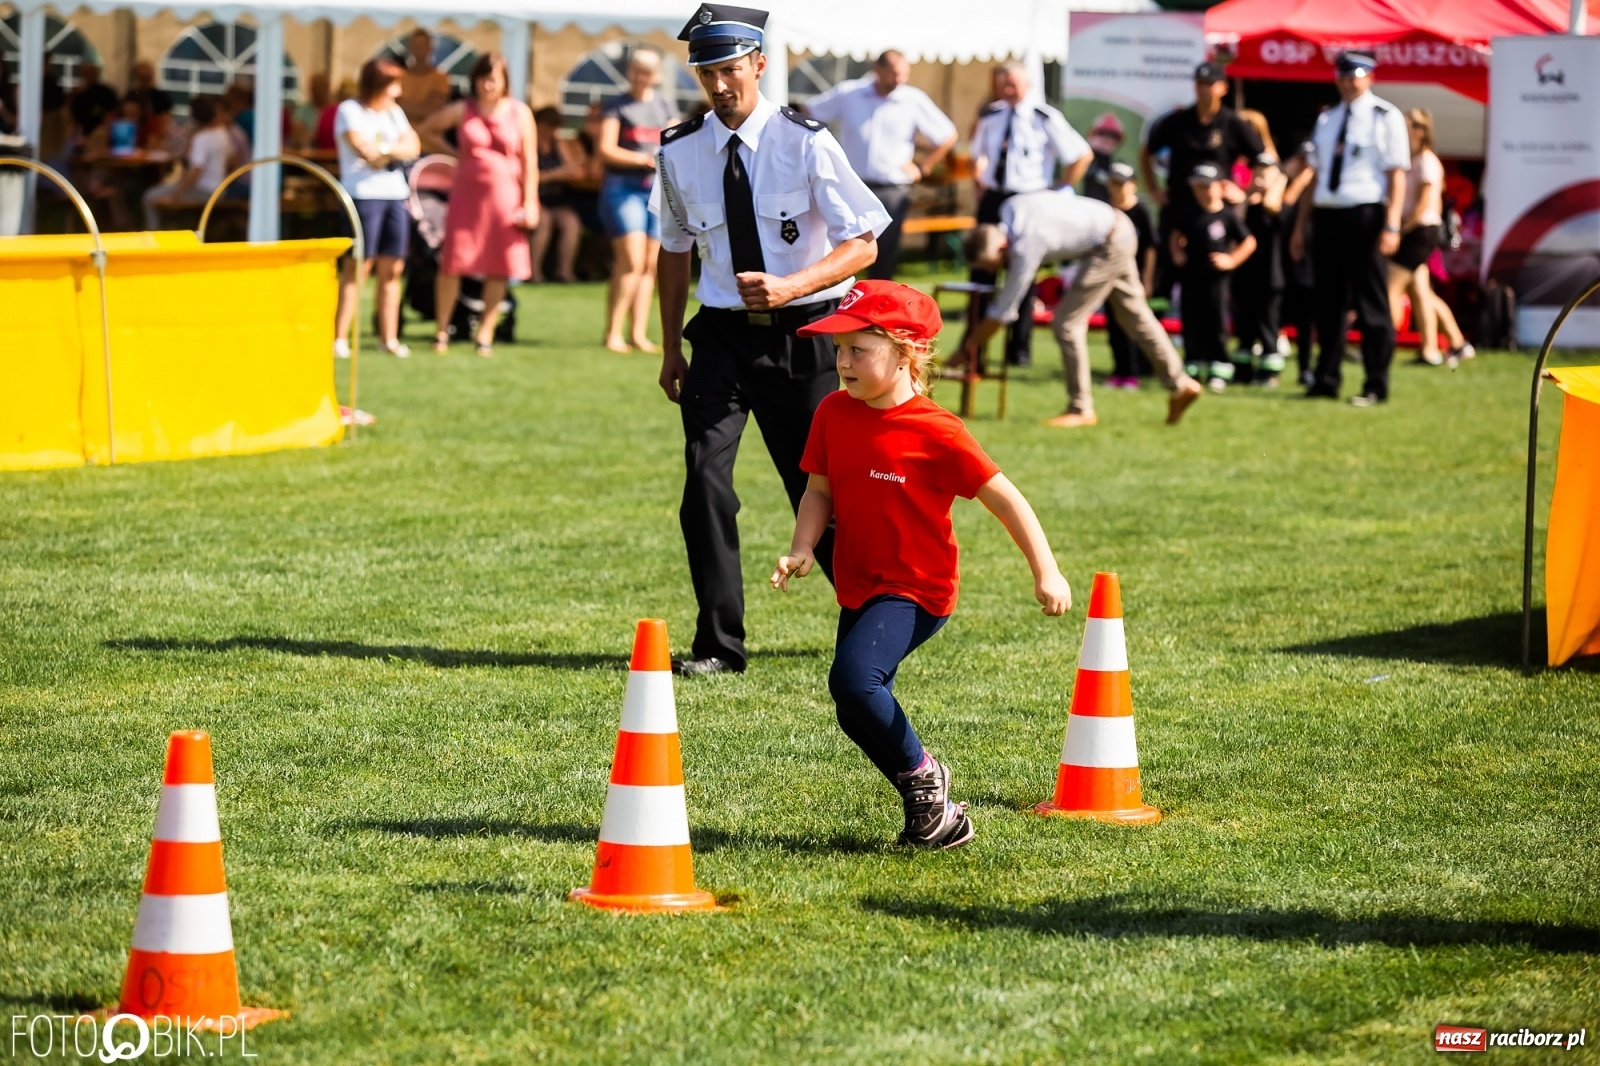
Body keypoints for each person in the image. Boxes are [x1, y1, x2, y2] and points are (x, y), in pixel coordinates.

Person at [770, 280, 1071, 849]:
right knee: (852, 704)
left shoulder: (939, 432)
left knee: (856, 683)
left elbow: (1006, 498)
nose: (843, 363)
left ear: (906, 354)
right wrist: (803, 546)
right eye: (839, 350)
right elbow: (818, 491)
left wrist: (1046, 571)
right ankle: (936, 814)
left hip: (917, 589)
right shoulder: (834, 413)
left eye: (859, 350)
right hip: (859, 584)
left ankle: (926, 776)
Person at [653, 2, 889, 676]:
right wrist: (671, 346)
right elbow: (673, 250)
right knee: (704, 482)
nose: (720, 84)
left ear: (759, 63)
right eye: (706, 72)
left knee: (820, 489)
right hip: (720, 339)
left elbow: (864, 241)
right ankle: (719, 647)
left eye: (730, 68)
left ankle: (868, 629)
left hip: (804, 335)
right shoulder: (678, 149)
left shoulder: (806, 141)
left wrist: (792, 286)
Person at [962, 189, 1203, 428]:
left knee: (1066, 323)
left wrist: (968, 349)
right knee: (1136, 317)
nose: (995, 271)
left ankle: (1081, 408)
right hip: (1118, 228)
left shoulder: (1027, 244)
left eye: (992, 264)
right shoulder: (1010, 208)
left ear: (1002, 246)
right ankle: (1181, 384)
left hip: (1107, 244)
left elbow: (1003, 312)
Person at [1290, 51, 1409, 406]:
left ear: (1370, 76)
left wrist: (1392, 224)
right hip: (1328, 215)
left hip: (1366, 214)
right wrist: (1300, 226)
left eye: (1355, 75)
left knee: (1371, 302)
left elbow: (1396, 174)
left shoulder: (1385, 116)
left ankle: (1375, 383)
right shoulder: (1327, 118)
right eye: (1342, 75)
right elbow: (1315, 176)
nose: (1347, 82)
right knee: (1328, 303)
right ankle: (1326, 378)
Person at [966, 60, 1090, 368]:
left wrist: (1059, 188)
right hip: (994, 199)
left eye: (1013, 84)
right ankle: (974, 348)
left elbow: (1080, 154)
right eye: (1002, 84)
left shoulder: (1043, 117)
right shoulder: (991, 114)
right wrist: (978, 176)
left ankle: (1018, 350)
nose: (1007, 90)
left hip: (1027, 201)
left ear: (1028, 84)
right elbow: (978, 153)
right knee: (982, 273)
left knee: (1023, 274)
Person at [419, 52, 538, 357]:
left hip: (505, 197)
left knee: (499, 266)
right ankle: (442, 331)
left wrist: (530, 200)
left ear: (505, 82)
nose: (487, 86)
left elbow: (530, 161)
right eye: (482, 79)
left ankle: (485, 332)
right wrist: (453, 153)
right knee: (453, 263)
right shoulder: (463, 109)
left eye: (493, 79)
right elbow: (426, 130)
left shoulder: (519, 112)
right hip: (467, 197)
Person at [803, 49, 957, 280]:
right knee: (840, 247)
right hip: (852, 186)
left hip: (892, 189)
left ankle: (878, 308)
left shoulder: (912, 99)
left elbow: (946, 135)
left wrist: (923, 167)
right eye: (895, 73)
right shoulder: (849, 93)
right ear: (878, 70)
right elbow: (809, 112)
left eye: (904, 74)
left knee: (884, 254)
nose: (900, 80)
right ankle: (844, 304)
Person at [331, 59, 421, 360]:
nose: (398, 90)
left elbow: (414, 147)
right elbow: (363, 151)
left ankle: (389, 338)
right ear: (378, 84)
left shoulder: (395, 113)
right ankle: (340, 337)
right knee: (359, 268)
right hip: (363, 196)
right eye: (393, 83)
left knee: (393, 268)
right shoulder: (349, 111)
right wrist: (392, 151)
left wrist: (384, 151)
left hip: (396, 195)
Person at [1140, 63, 1262, 273]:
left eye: (1209, 84)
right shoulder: (1177, 121)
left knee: (1213, 271)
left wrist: (1244, 191)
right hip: (1179, 205)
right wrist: (1152, 189)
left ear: (1223, 87)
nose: (1203, 89)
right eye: (1199, 84)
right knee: (1169, 267)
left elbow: (1262, 160)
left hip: (1215, 212)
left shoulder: (1233, 123)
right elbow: (1146, 152)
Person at [597, 47, 679, 353]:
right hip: (622, 187)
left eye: (647, 72)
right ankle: (613, 332)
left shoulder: (664, 105)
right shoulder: (616, 105)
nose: (642, 78)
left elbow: (674, 143)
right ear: (629, 73)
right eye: (636, 71)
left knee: (648, 264)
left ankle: (639, 333)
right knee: (630, 260)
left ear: (656, 75)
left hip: (656, 189)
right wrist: (642, 159)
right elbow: (605, 148)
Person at [1390, 108, 1474, 368]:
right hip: (1414, 230)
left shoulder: (1426, 160)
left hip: (1419, 231)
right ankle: (1448, 345)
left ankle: (1383, 343)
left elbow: (1425, 204)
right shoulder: (1412, 159)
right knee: (1421, 292)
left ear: (1419, 131)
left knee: (1389, 289)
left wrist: (1399, 229)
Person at [1172, 163, 1255, 391]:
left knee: (1217, 321)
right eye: (1198, 187)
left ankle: (1219, 366)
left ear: (1220, 187)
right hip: (1192, 275)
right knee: (1191, 320)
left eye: (1207, 186)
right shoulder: (1190, 213)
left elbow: (1248, 241)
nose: (1203, 191)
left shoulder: (1227, 216)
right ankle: (1193, 365)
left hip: (1217, 279)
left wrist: (1232, 260)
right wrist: (1178, 253)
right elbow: (1176, 235)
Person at [141, 94, 236, 229]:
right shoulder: (222, 133)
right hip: (219, 190)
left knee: (149, 197)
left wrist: (174, 196)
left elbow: (195, 171)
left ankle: (152, 237)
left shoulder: (201, 138)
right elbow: (233, 157)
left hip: (203, 190)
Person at [1233, 152, 1287, 386]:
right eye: (1257, 170)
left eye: (1266, 170)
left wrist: (1280, 181)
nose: (1260, 174)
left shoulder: (1281, 206)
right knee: (1244, 325)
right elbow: (1236, 220)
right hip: (1246, 276)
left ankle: (1269, 373)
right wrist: (1247, 193)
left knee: (1267, 325)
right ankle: (1243, 369)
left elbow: (1271, 205)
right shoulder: (1249, 205)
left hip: (1271, 276)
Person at [1102, 161, 1158, 389]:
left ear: (1133, 185)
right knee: (1114, 327)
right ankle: (1119, 370)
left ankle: (1133, 373)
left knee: (1134, 326)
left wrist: (1147, 278)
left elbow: (1151, 248)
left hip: (1132, 279)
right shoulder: (1107, 212)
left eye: (1121, 184)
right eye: (1113, 183)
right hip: (1108, 278)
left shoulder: (1141, 212)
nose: (1116, 189)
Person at [529, 106, 585, 284]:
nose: (550, 131)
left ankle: (565, 272)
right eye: (547, 126)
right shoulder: (529, 144)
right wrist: (556, 174)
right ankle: (534, 272)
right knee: (543, 221)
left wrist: (555, 173)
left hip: (557, 199)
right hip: (535, 199)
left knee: (572, 222)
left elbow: (575, 171)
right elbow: (530, 176)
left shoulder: (558, 144)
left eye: (554, 127)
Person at [1280, 141, 1319, 386]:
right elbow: (1283, 206)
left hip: (1311, 261)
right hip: (1283, 261)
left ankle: (1307, 368)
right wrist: (1299, 178)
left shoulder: (1322, 190)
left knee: (1309, 318)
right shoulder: (1288, 185)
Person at [398, 28, 452, 126]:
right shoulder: (399, 77)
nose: (419, 49)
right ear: (410, 49)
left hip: (427, 135)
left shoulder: (440, 77)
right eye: (416, 46)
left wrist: (403, 107)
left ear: (430, 48)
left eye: (422, 45)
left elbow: (433, 109)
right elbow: (393, 105)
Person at [1080, 112, 1124, 203]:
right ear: (1092, 136)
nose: (1108, 139)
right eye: (1102, 134)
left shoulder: (1115, 166)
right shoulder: (1083, 158)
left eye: (1113, 136)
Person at [66, 62, 118, 136]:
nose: (89, 76)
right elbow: (72, 113)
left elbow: (113, 111)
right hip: (81, 132)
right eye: (86, 73)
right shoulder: (77, 93)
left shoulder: (106, 91)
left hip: (102, 131)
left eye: (91, 73)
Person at [292, 72, 330, 149]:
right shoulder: (302, 109)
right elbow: (297, 135)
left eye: (320, 88)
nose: (317, 91)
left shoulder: (333, 110)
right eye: (314, 88)